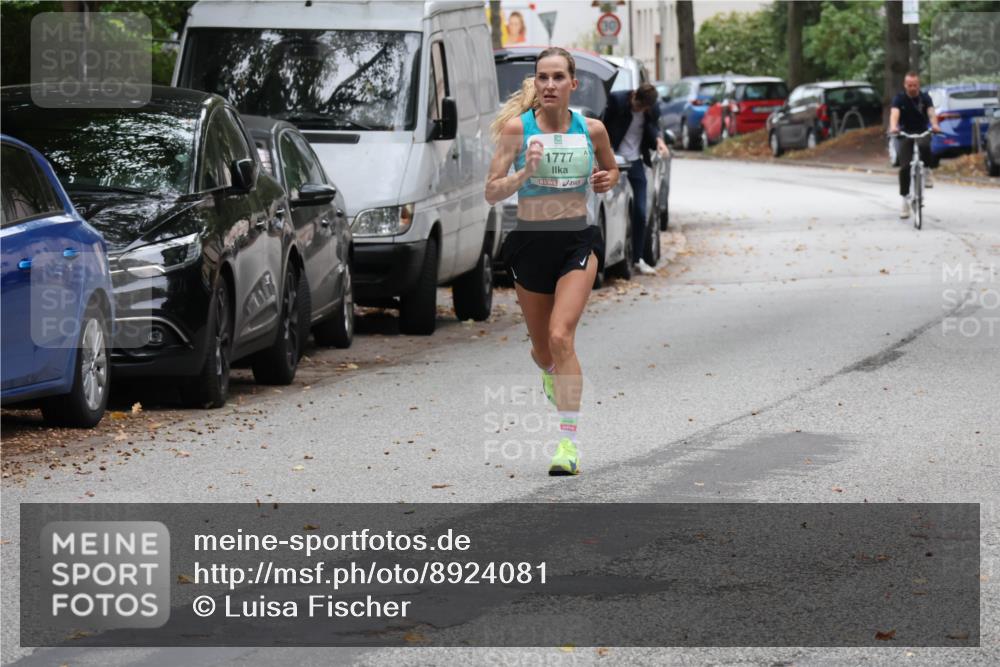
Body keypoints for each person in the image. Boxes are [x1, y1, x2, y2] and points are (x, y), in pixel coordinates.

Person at [485, 47, 619, 475]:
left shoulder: (591, 129)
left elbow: (612, 170)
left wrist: (604, 178)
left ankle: (568, 444)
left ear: (572, 84)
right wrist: (524, 174)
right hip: (530, 242)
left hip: (577, 241)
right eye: (542, 77)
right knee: (543, 349)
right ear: (536, 83)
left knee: (562, 337)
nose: (548, 85)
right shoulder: (516, 129)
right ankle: (549, 370)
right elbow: (492, 190)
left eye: (558, 77)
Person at [602, 82, 669, 275]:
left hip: (636, 162)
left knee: (640, 210)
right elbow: (603, 125)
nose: (637, 110)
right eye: (636, 105)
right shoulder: (617, 100)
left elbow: (653, 127)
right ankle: (610, 257)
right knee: (612, 208)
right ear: (634, 96)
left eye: (642, 108)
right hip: (614, 160)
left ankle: (638, 258)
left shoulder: (651, 108)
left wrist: (659, 141)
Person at [889, 71, 942, 219]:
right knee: (905, 167)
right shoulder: (899, 98)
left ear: (919, 85)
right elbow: (894, 114)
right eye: (909, 85)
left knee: (925, 146)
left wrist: (935, 125)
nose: (912, 88)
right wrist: (894, 127)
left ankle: (926, 170)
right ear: (905, 85)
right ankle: (905, 200)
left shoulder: (925, 98)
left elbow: (931, 113)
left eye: (915, 85)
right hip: (905, 133)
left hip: (922, 131)